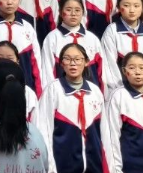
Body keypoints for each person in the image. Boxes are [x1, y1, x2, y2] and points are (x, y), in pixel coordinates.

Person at [37, 43, 110, 173]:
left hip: (94, 166)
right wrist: (50, 168)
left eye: (77, 59)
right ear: (61, 63)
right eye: (67, 59)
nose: (73, 63)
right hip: (62, 166)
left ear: (86, 62)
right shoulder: (53, 90)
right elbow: (44, 131)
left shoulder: (95, 91)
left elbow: (104, 133)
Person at [104, 52, 143, 173]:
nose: (137, 72)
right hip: (132, 168)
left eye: (142, 68)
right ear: (124, 71)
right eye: (132, 68)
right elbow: (112, 139)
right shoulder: (118, 97)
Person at [41, 0, 104, 91]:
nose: (73, 14)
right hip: (61, 93)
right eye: (68, 10)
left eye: (77, 10)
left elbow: (101, 72)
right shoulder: (52, 38)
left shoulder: (92, 39)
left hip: (90, 94)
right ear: (60, 12)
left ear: (83, 12)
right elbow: (47, 72)